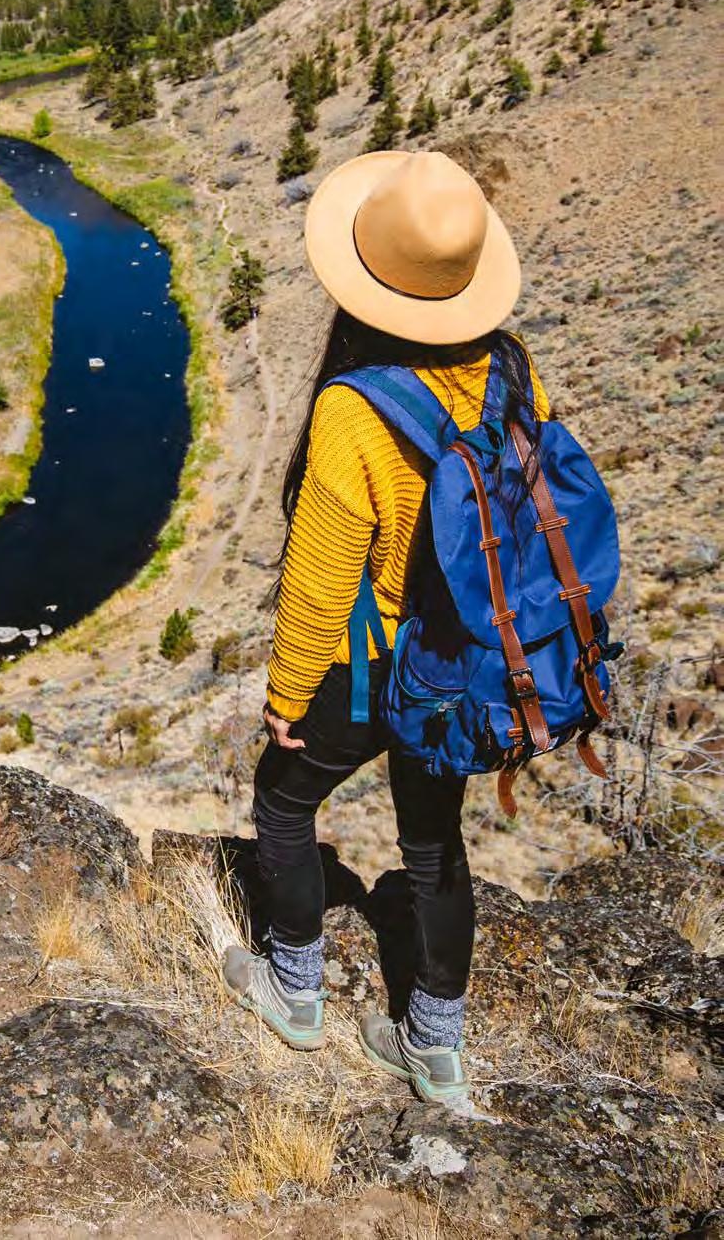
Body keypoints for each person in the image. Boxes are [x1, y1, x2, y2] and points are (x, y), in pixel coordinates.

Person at [222, 149, 548, 1110]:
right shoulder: (511, 368)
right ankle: (433, 1049)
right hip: (465, 662)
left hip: (372, 668)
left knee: (283, 805)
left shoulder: (353, 406)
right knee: (433, 843)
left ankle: (294, 988)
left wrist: (287, 697)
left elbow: (321, 579)